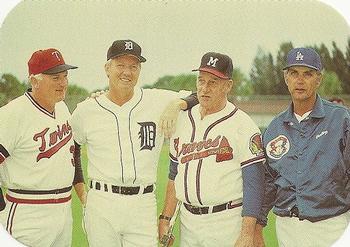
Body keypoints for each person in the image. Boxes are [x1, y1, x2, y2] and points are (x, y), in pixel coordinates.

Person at [70, 39, 195, 247]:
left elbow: (197, 95)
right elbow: (71, 149)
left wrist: (177, 105)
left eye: (133, 66)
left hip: (142, 202)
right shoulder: (86, 110)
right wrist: (83, 193)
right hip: (102, 202)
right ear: (107, 68)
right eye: (120, 65)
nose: (127, 72)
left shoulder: (156, 100)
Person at [158, 52, 266, 247]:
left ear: (228, 86)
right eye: (201, 81)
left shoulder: (243, 124)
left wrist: (248, 233)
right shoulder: (182, 119)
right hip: (188, 222)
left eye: (213, 82)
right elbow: (174, 175)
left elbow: (254, 185)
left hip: (226, 221)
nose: (205, 88)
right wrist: (165, 217)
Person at [255, 47, 350, 247]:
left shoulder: (341, 119)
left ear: (318, 79)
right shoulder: (274, 128)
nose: (300, 80)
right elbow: (269, 181)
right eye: (294, 73)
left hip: (331, 224)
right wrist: (258, 223)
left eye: (308, 74)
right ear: (286, 78)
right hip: (287, 227)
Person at [0, 48, 86, 247]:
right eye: (55, 78)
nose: (63, 83)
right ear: (34, 81)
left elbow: (73, 153)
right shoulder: (12, 114)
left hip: (64, 211)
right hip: (27, 212)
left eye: (65, 76)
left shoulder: (63, 108)